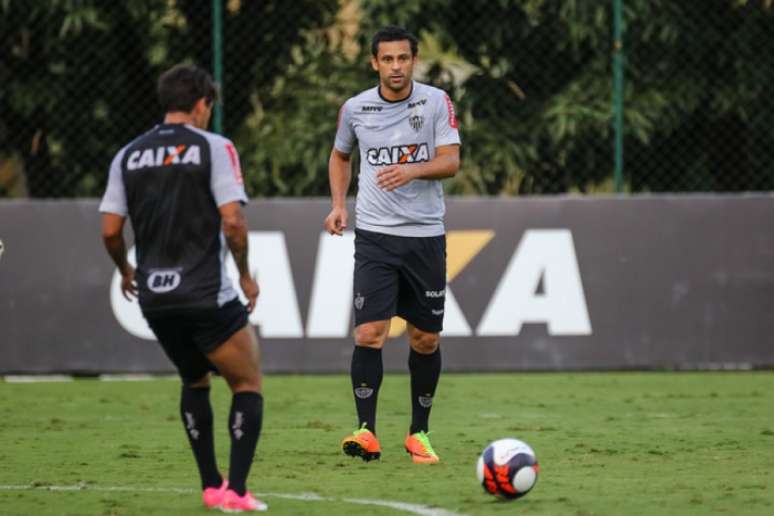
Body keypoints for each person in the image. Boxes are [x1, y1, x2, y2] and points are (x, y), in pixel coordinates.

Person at [99, 64, 267, 512]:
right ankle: (237, 492)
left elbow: (111, 231)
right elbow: (233, 221)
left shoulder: (128, 155)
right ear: (200, 105)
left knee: (194, 379)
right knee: (247, 383)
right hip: (206, 292)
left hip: (154, 297)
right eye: (208, 106)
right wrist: (246, 274)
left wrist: (125, 270)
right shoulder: (215, 148)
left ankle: (212, 485)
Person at [324, 26, 461, 464]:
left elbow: (451, 160)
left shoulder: (436, 101)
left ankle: (418, 434)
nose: (396, 67)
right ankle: (365, 431)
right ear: (374, 63)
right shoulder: (355, 108)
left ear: (413, 60)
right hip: (375, 237)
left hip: (424, 236)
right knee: (369, 332)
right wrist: (338, 205)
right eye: (387, 60)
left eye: (403, 58)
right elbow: (340, 155)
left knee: (424, 339)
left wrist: (412, 170)